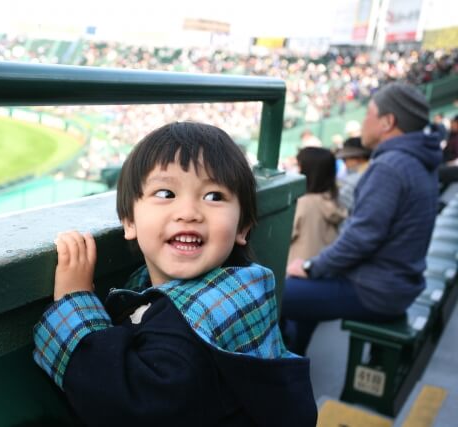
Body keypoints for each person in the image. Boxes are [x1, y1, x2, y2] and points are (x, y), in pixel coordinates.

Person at [33, 122, 317, 426]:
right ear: (129, 221)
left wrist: (74, 301)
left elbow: (124, 405)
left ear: (242, 228)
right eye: (166, 192)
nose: (189, 212)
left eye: (213, 196)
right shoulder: (238, 288)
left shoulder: (191, 328)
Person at [282, 82, 442, 356]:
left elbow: (361, 239)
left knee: (268, 295)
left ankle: (275, 380)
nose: (363, 121)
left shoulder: (390, 166)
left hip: (373, 290)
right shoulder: (416, 161)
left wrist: (310, 266)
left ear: (387, 122)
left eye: (369, 113)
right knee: (300, 300)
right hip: (395, 286)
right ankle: (292, 362)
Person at [287, 147, 347, 266]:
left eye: (298, 166)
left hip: (297, 271)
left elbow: (284, 236)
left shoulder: (303, 203)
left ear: (307, 170)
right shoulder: (335, 200)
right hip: (324, 268)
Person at [336, 137, 372, 213]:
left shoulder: (356, 178)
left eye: (345, 159)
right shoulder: (373, 169)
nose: (345, 164)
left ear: (359, 157)